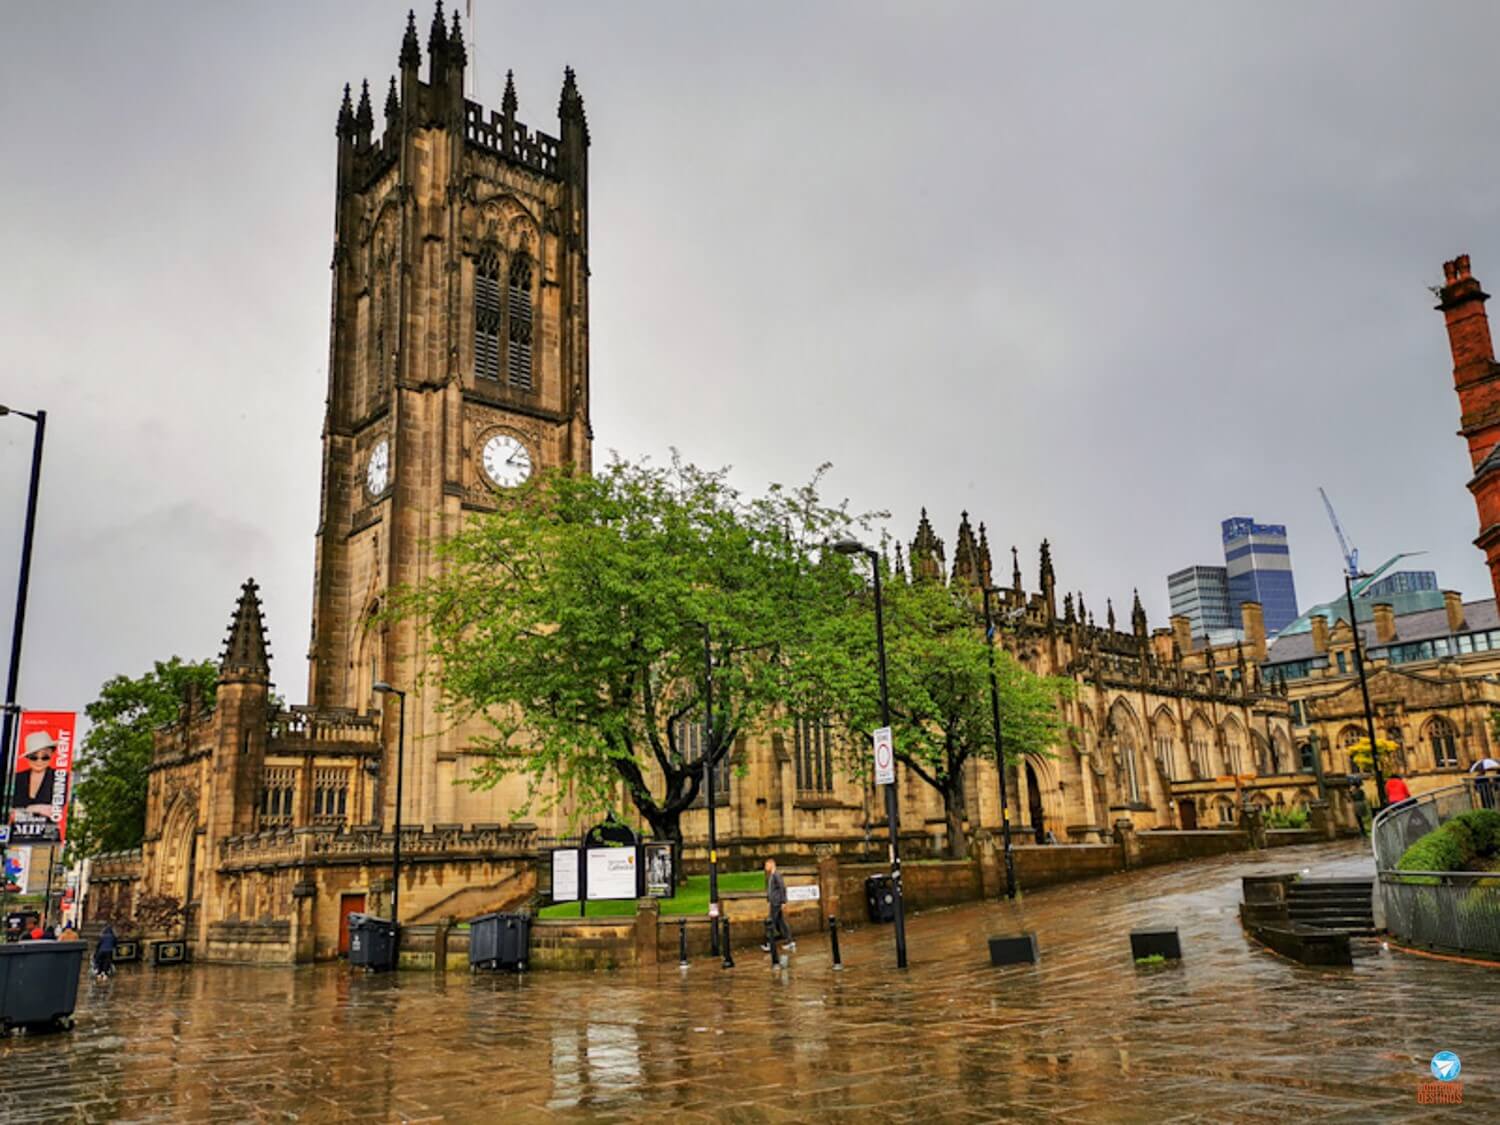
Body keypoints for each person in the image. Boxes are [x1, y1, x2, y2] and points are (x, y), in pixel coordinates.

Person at [10, 729, 62, 819]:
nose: (39, 761)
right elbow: (12, 811)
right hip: (17, 830)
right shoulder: (18, 777)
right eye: (34, 757)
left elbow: (55, 810)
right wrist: (37, 808)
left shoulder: (59, 777)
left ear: (51, 754)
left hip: (48, 831)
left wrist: (25, 810)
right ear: (27, 757)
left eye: (45, 756)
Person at [760, 858, 793, 952]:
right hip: (774, 902)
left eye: (766, 865)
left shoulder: (776, 875)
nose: (765, 868)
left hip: (776, 903)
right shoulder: (771, 875)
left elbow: (782, 888)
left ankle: (769, 944)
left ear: (771, 865)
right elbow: (772, 889)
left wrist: (783, 901)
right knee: (781, 923)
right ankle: (789, 941)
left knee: (771, 923)